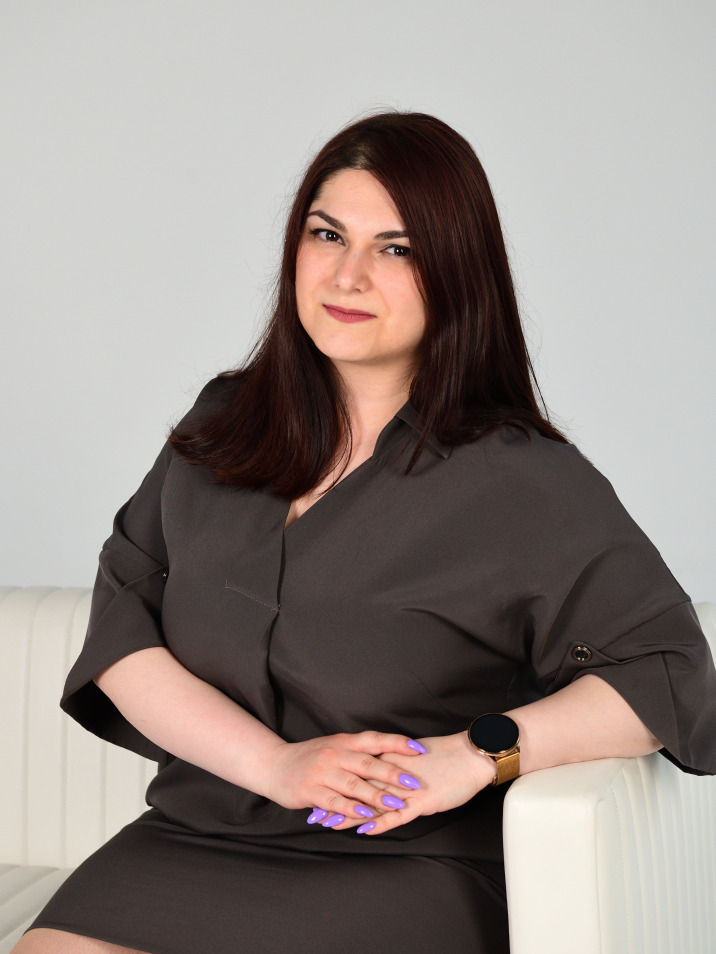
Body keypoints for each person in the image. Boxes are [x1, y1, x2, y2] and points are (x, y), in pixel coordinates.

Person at [15, 109, 716, 954]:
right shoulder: (221, 424)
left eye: (397, 249)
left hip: (406, 858)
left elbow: (667, 670)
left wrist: (476, 754)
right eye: (327, 235)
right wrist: (274, 766)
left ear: (456, 273)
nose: (348, 276)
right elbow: (123, 624)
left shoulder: (521, 478)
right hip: (196, 832)